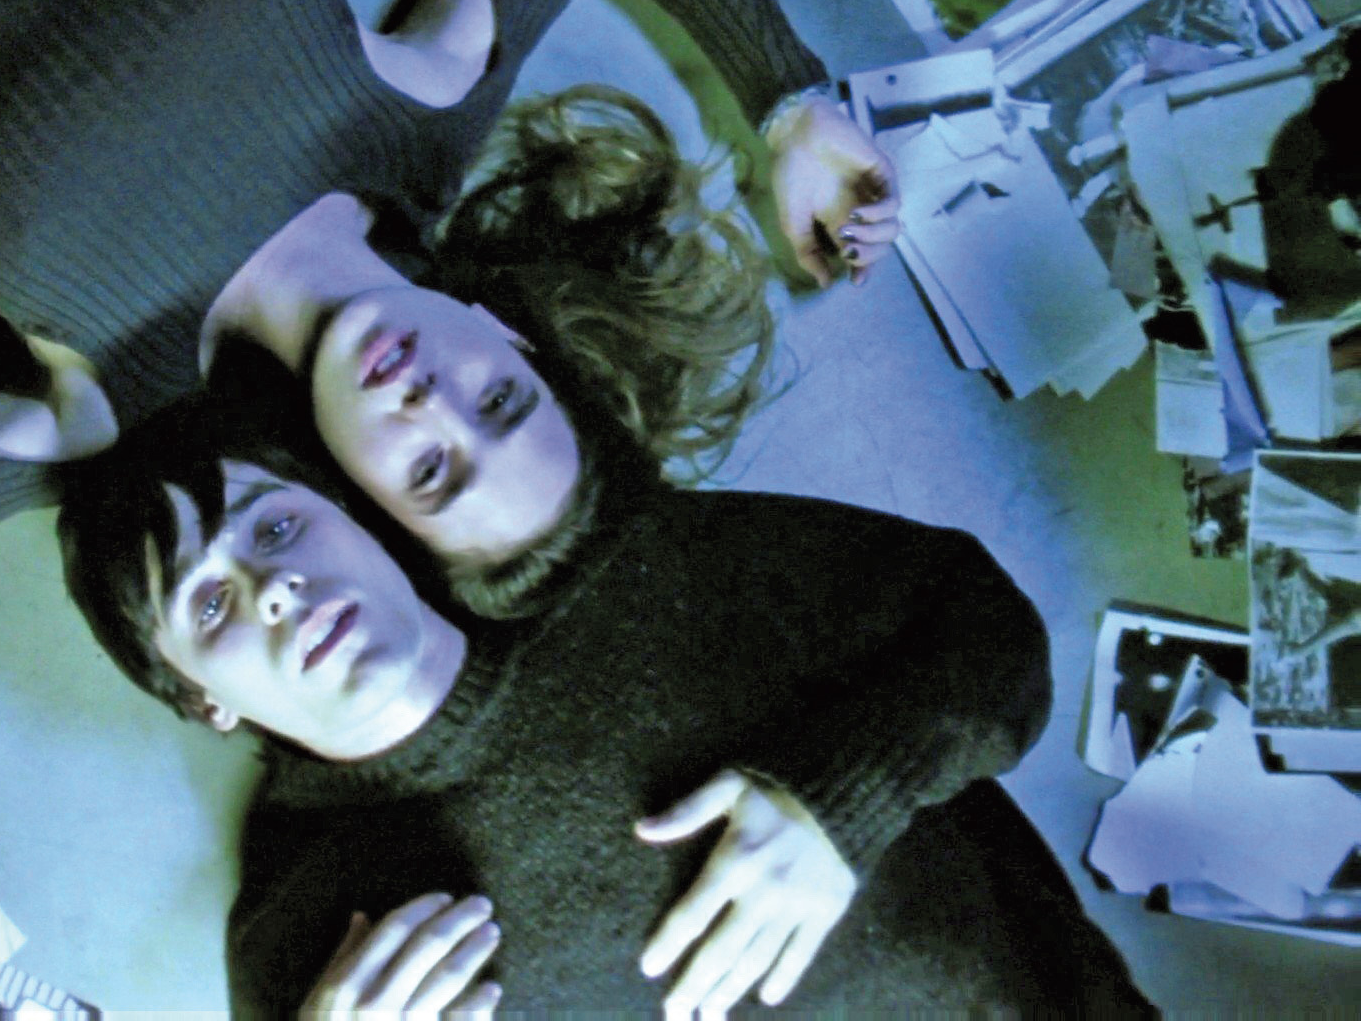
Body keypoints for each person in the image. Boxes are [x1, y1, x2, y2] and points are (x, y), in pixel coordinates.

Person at [0, 0, 902, 1006]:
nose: (432, 398)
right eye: (499, 398)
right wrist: (789, 102)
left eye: (432, 469)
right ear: (513, 338)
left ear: (369, 507)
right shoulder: (421, 108)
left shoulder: (130, 416)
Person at [59, 400, 1156, 1015]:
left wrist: (842, 799)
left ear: (351, 514)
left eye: (274, 525)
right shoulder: (305, 932)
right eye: (210, 603)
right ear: (202, 699)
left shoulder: (636, 572)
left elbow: (984, 627)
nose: (273, 585)